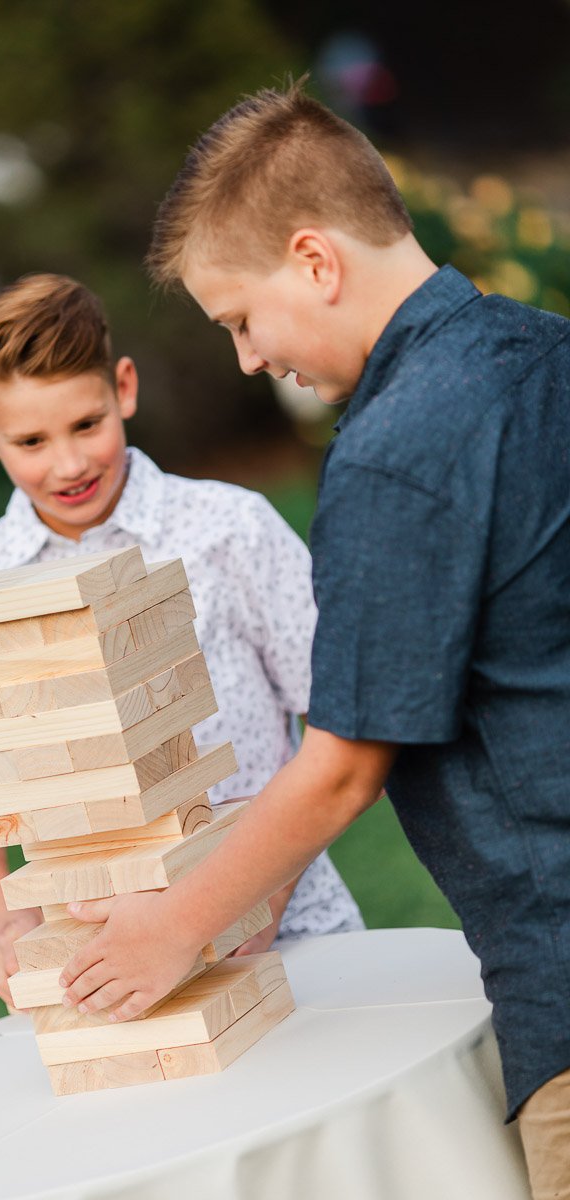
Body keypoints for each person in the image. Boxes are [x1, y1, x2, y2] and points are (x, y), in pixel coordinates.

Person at [57, 82, 570, 1199]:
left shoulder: (394, 450)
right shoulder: (545, 351)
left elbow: (340, 767)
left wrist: (172, 928)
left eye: (239, 318)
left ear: (315, 260)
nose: (245, 359)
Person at [0, 272, 363, 1008]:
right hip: (104, 970)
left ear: (123, 388)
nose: (67, 463)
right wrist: (5, 920)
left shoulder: (230, 529)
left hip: (290, 935)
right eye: (31, 440)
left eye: (86, 425)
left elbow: (339, 720)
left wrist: (262, 898)